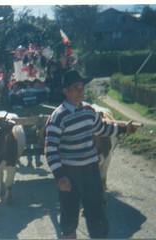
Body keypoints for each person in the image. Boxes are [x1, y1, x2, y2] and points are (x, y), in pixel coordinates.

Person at [44, 70, 138, 239]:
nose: (80, 91)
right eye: (75, 88)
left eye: (81, 87)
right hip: (69, 175)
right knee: (69, 217)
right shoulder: (57, 117)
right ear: (65, 91)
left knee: (97, 215)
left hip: (91, 172)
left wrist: (124, 128)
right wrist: (60, 177)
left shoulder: (89, 111)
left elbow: (103, 129)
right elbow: (50, 149)